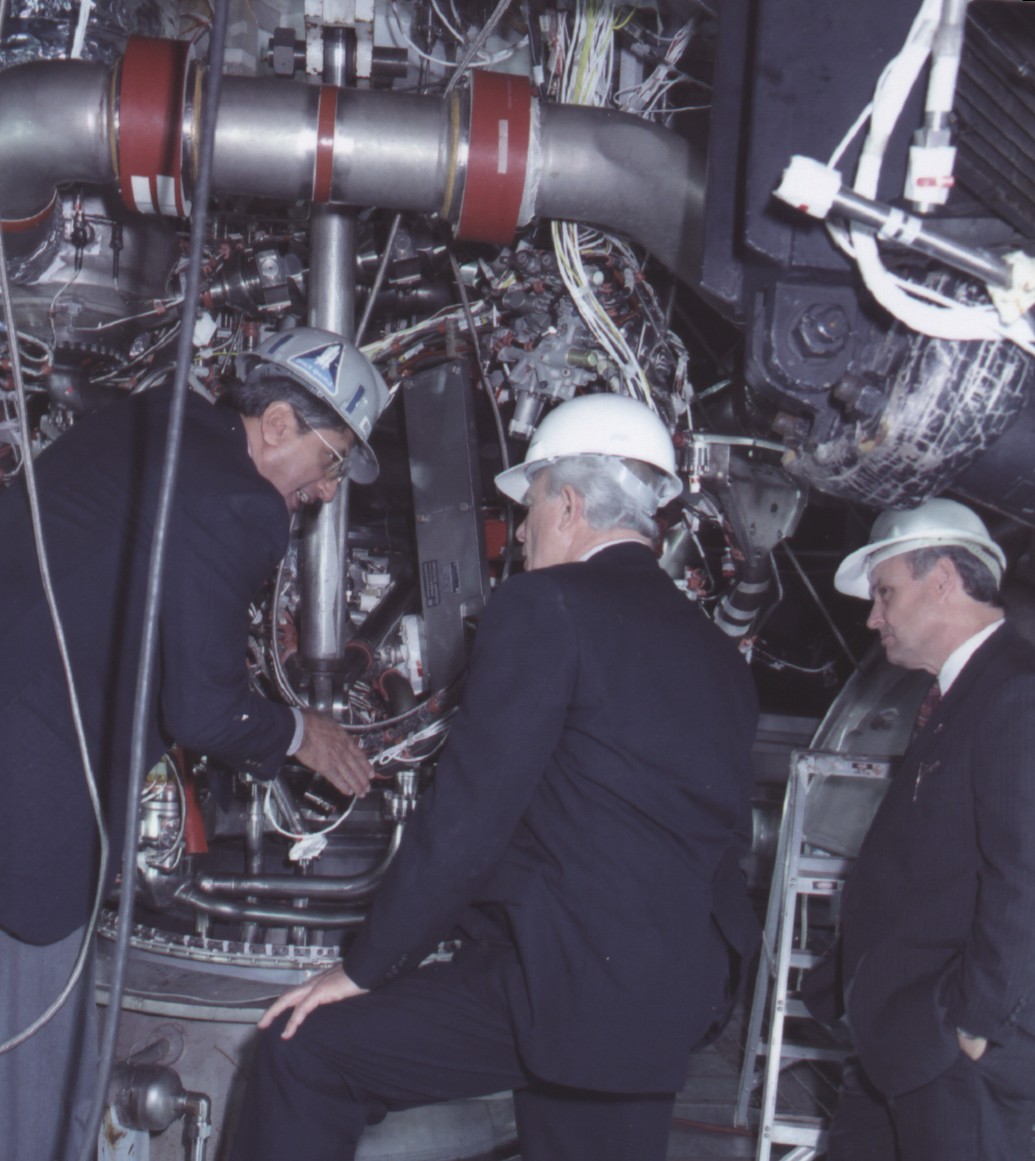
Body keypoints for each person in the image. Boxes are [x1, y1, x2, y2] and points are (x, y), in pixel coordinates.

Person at [228, 392, 761, 1161]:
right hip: (669, 993)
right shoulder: (717, 655)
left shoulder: (544, 605)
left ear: (570, 504)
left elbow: (469, 817)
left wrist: (363, 967)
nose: (520, 531)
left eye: (532, 507)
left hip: (564, 984)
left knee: (308, 1050)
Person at [0, 326, 388, 1161]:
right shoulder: (239, 499)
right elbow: (204, 709)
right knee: (37, 1077)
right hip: (30, 805)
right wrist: (300, 734)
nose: (325, 492)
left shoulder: (151, 418)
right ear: (278, 424)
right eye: (330, 462)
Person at [810, 497, 1035, 1160]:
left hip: (951, 1045)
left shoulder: (1014, 694)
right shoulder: (962, 693)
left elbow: (1023, 873)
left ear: (940, 579)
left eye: (884, 593)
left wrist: (974, 1021)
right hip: (902, 1037)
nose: (872, 616)